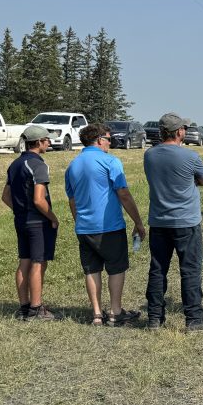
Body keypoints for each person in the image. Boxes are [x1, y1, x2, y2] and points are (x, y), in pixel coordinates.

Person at [143, 113, 203, 332]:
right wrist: (190, 181)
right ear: (179, 132)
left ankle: (154, 318)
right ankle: (194, 318)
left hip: (159, 221)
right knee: (190, 270)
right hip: (186, 221)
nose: (185, 132)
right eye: (184, 129)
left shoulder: (149, 155)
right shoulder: (189, 156)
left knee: (158, 269)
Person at [64, 124, 146, 326]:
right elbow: (124, 194)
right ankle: (115, 312)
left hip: (84, 227)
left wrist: (79, 222)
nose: (110, 143)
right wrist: (138, 222)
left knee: (91, 269)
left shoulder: (72, 166)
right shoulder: (110, 161)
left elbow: (72, 200)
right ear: (100, 139)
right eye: (109, 139)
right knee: (116, 268)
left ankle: (96, 314)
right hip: (109, 225)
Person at [2, 125, 59, 320]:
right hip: (37, 222)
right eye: (47, 140)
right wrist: (53, 217)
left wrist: (20, 210)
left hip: (21, 221)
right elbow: (39, 200)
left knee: (24, 262)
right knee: (38, 262)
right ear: (39, 142)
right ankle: (36, 308)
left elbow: (5, 196)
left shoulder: (15, 165)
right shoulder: (39, 165)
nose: (49, 142)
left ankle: (24, 306)